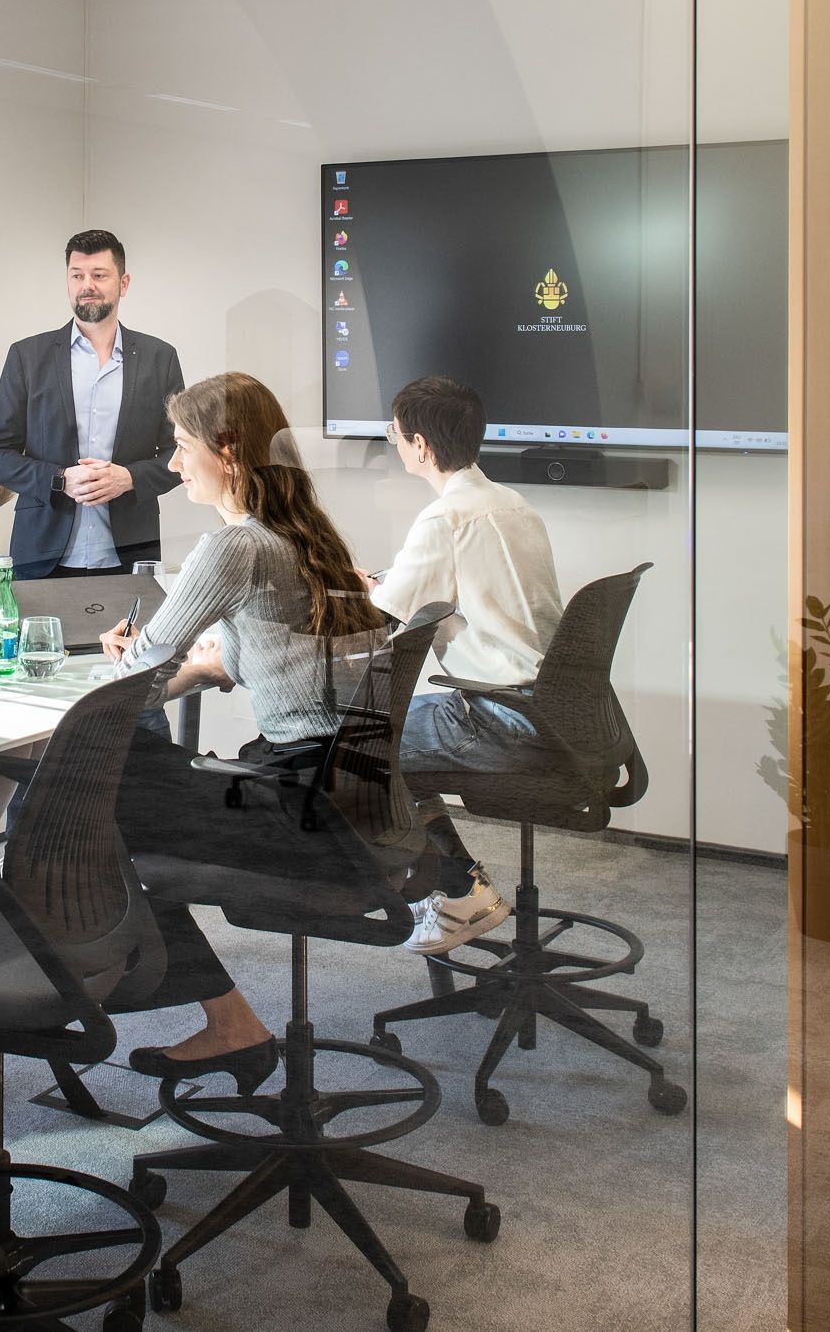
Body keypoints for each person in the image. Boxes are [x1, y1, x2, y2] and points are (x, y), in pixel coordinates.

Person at [93, 371, 397, 1088]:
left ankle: (214, 1018)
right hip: (350, 800)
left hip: (298, 810)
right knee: (134, 773)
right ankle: (220, 1017)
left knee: (90, 800)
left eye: (181, 445)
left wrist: (130, 666)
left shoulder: (233, 548)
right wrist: (199, 670)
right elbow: (268, 655)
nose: (173, 463)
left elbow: (137, 677)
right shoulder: (304, 534)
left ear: (226, 452)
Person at [365, 375, 568, 954]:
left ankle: (458, 891)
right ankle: (456, 885)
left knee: (355, 748)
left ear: (420, 445)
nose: (396, 444)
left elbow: (382, 618)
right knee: (384, 738)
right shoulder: (512, 504)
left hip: (498, 717)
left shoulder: (444, 518)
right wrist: (384, 586)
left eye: (396, 435)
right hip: (551, 708)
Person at [0, 229, 184, 578]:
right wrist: (59, 479)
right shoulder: (27, 356)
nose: (86, 285)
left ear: (123, 283)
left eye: (99, 275)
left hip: (130, 556)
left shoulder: (160, 358)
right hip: (42, 558)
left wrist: (129, 478)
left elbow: (182, 453)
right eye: (77, 276)